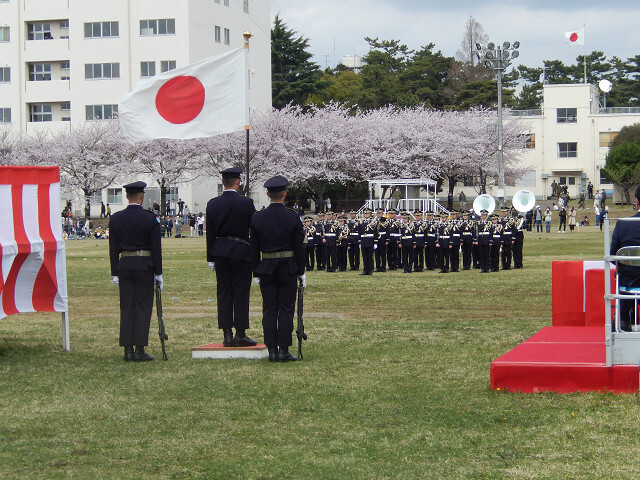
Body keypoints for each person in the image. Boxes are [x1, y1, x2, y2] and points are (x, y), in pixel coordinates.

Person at [250, 176, 306, 362]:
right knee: (286, 309)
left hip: (266, 267)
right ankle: (283, 349)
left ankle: (271, 349)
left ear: (267, 194)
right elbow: (299, 246)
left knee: (269, 309)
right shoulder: (292, 217)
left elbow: (253, 248)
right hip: (288, 267)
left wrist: (255, 271)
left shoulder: (257, 218)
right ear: (285, 194)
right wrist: (301, 271)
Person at [108, 181, 162, 362]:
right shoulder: (150, 218)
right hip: (144, 265)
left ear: (126, 196)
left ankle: (127, 350)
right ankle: (139, 348)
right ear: (141, 196)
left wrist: (114, 271)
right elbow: (156, 247)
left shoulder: (116, 218)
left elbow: (113, 247)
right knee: (143, 308)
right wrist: (158, 272)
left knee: (127, 307)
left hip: (124, 265)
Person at [206, 167, 257, 347]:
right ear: (238, 182)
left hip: (220, 251)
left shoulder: (212, 204)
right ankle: (240, 333)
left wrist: (210, 257)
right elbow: (254, 229)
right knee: (241, 292)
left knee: (224, 292)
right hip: (241, 251)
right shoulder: (246, 203)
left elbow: (210, 233)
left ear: (222, 183)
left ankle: (227, 333)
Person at [610, 185, 640, 331]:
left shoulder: (623, 224)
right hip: (629, 280)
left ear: (636, 201)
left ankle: (623, 321)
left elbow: (612, 256)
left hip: (628, 283)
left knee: (621, 278)